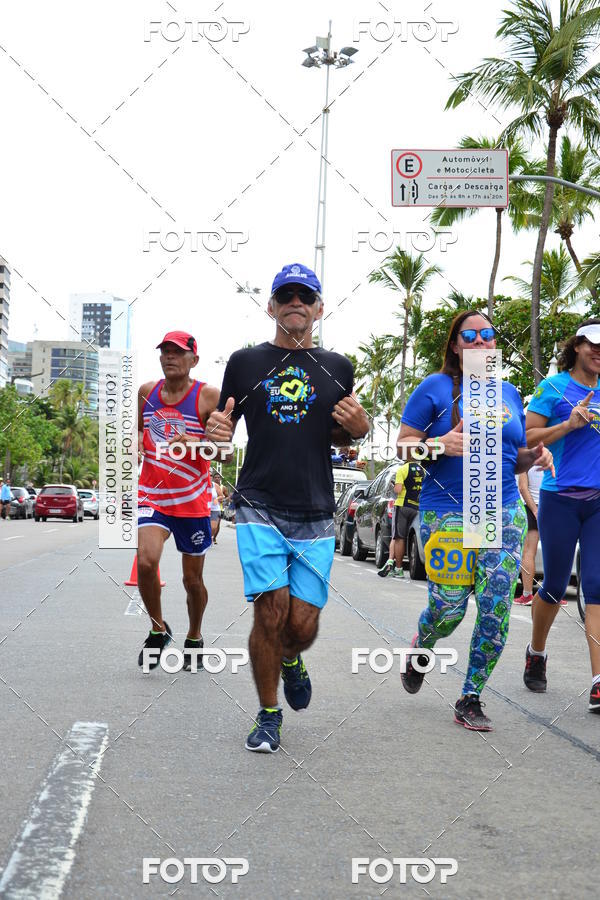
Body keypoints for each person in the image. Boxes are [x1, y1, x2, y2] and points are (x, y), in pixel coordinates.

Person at [206, 263, 369, 752]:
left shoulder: (337, 366)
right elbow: (223, 431)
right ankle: (268, 714)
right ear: (272, 306)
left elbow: (343, 432)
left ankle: (292, 660)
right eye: (286, 296)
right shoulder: (244, 362)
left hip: (316, 510)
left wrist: (360, 427)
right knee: (270, 612)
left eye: (305, 296)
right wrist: (216, 438)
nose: (295, 303)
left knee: (300, 625)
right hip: (259, 502)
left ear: (319, 308)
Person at [397, 310, 554, 731]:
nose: (482, 342)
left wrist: (535, 457)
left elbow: (514, 456)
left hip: (499, 509)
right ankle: (423, 644)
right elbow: (403, 448)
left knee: (493, 608)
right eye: (471, 335)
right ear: (455, 345)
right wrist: (439, 444)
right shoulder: (435, 387)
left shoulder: (507, 393)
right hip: (447, 510)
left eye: (489, 335)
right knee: (447, 610)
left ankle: (471, 696)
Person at [522, 319, 600, 712]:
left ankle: (599, 682)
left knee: (597, 585)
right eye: (593, 345)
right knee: (553, 585)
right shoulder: (552, 388)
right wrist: (568, 425)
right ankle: (536, 651)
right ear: (578, 347)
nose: (599, 353)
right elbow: (527, 436)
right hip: (560, 499)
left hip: (599, 502)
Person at [136, 331, 221, 672]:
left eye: (177, 352)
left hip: (192, 500)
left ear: (193, 360)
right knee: (145, 562)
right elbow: (135, 431)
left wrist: (198, 444)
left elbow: (223, 453)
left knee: (192, 581)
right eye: (165, 351)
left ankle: (195, 635)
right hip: (152, 494)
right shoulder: (147, 392)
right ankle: (158, 628)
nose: (169, 356)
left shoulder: (208, 397)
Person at [378, 461, 423, 579]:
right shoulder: (423, 469)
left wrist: (394, 486)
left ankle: (398, 568)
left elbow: (398, 490)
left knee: (398, 537)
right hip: (417, 507)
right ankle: (390, 561)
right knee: (409, 537)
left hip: (402, 505)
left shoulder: (403, 469)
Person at [210, 472, 224, 544]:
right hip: (204, 509)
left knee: (213, 527)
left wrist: (217, 499)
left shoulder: (215, 486)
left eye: (211, 475)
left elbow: (222, 496)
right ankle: (207, 540)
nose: (209, 477)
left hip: (215, 509)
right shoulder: (201, 485)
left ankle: (210, 538)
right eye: (208, 475)